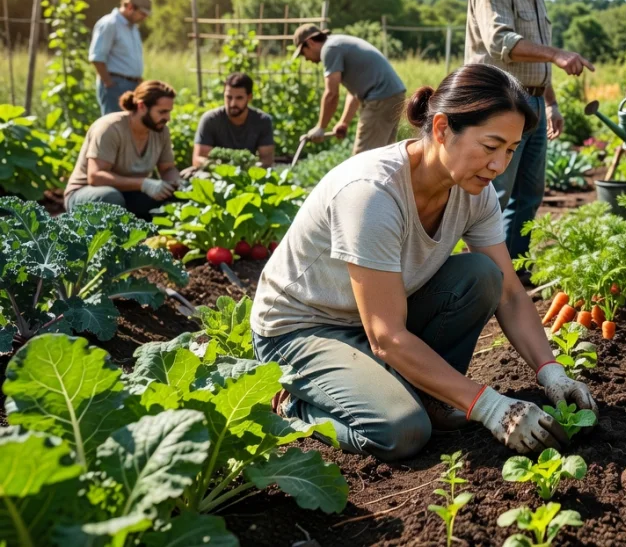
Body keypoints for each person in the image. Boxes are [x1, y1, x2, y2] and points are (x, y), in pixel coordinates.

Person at [250, 64, 598, 461]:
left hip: (377, 317)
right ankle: (297, 406)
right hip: (303, 329)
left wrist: (549, 370)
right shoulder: (373, 195)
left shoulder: (475, 192)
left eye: (510, 151)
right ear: (441, 129)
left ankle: (430, 395)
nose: (499, 166)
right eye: (490, 146)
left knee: (484, 276)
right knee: (402, 431)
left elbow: (509, 293)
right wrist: (489, 406)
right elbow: (385, 336)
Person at [466, 0, 595, 263]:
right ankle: (482, 269)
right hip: (501, 103)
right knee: (495, 192)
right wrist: (557, 55)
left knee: (530, 193)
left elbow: (535, 59)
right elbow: (500, 42)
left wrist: (550, 102)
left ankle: (512, 269)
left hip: (533, 103)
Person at [63, 80, 180, 220]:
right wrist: (143, 184)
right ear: (142, 106)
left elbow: (167, 169)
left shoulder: (160, 131)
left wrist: (177, 183)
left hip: (130, 193)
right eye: (162, 112)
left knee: (175, 199)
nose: (167, 118)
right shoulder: (110, 128)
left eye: (169, 112)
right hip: (88, 194)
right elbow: (96, 177)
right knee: (110, 198)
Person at [293, 25, 407, 155]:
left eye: (303, 53)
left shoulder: (330, 49)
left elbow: (331, 94)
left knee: (363, 159)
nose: (306, 58)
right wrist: (344, 122)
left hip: (380, 98)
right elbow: (354, 92)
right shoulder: (337, 43)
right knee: (384, 155)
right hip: (392, 95)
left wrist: (321, 127)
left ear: (310, 42)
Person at [192, 72, 275, 169]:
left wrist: (245, 168)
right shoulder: (210, 120)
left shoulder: (262, 121)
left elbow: (267, 160)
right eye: (229, 97)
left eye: (239, 98)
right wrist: (221, 168)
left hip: (248, 172)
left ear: (249, 97)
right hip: (215, 172)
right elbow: (198, 159)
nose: (232, 103)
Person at [89, 0, 151, 115]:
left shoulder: (133, 28)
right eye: (142, 14)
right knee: (115, 127)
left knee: (130, 128)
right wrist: (109, 83)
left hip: (132, 85)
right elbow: (97, 57)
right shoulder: (110, 24)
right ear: (130, 7)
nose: (144, 18)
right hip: (115, 85)